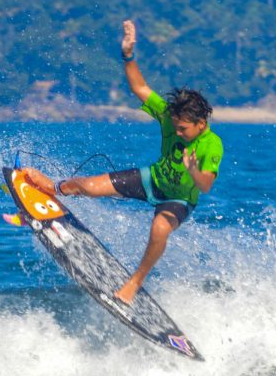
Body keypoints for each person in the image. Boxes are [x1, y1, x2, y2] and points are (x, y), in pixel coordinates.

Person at [22, 20, 223, 304]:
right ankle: (54, 188)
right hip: (152, 179)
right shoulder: (171, 116)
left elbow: (206, 186)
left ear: (201, 124)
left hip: (178, 199)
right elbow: (140, 87)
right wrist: (127, 54)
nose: (177, 133)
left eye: (183, 130)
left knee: (160, 228)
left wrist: (193, 170)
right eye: (175, 127)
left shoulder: (211, 144)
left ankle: (134, 284)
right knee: (89, 186)